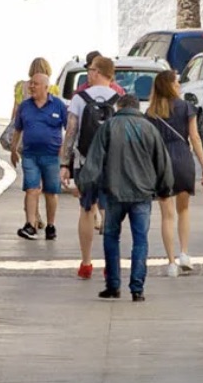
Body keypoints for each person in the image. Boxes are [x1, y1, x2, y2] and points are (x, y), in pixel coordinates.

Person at [73, 90, 173, 300]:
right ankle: (137, 288)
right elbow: (162, 161)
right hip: (142, 193)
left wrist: (84, 184)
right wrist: (164, 189)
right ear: (137, 108)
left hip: (113, 193)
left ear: (119, 107)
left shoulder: (108, 127)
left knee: (111, 237)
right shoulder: (149, 129)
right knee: (140, 240)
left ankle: (113, 285)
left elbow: (94, 160)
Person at [151, 71, 203, 273]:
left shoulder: (151, 112)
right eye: (177, 82)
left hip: (161, 162)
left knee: (166, 215)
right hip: (183, 158)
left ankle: (170, 263)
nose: (179, 85)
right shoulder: (186, 108)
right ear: (170, 85)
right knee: (183, 210)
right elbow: (195, 138)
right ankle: (184, 253)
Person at [4, 60, 70, 241]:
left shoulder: (58, 105)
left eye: (35, 84)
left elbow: (69, 129)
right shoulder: (25, 106)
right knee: (31, 189)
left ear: (46, 87)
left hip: (52, 155)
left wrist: (64, 152)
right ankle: (30, 225)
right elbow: (17, 128)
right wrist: (13, 148)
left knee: (51, 191)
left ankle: (51, 225)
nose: (31, 86)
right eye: (31, 83)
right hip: (30, 154)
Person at [70, 56, 122, 281]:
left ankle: (86, 262)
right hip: (111, 163)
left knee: (86, 210)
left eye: (90, 70)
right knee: (109, 211)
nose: (88, 74)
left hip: (85, 162)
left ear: (98, 72)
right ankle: (110, 263)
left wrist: (64, 164)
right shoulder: (120, 99)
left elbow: (71, 132)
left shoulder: (79, 99)